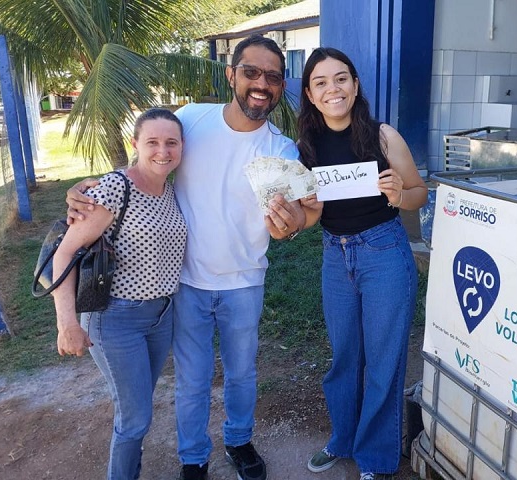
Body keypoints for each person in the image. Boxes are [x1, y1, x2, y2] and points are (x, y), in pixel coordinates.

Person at [66, 35, 305, 480]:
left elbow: (302, 210)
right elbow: (148, 160)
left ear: (281, 86)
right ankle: (193, 458)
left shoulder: (282, 150)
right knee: (192, 380)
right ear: (231, 75)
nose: (261, 83)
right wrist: (87, 188)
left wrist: (293, 224)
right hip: (187, 283)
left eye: (273, 77)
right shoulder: (192, 119)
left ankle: (239, 441)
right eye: (251, 72)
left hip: (245, 282)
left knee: (241, 374)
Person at [296, 48, 428, 480]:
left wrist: (398, 194)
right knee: (344, 358)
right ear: (310, 94)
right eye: (320, 82)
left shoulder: (383, 136)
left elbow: (419, 194)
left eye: (341, 79)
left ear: (355, 85)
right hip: (335, 255)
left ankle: (374, 457)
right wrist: (309, 209)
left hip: (383, 252)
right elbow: (310, 218)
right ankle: (343, 438)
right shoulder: (307, 146)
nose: (332, 89)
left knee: (384, 360)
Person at [53, 108, 188, 480]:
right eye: (152, 142)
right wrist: (66, 324)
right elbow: (64, 253)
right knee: (135, 417)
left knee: (138, 407)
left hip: (161, 316)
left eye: (171, 142)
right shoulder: (116, 188)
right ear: (135, 144)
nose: (163, 151)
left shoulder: (169, 189)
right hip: (116, 319)